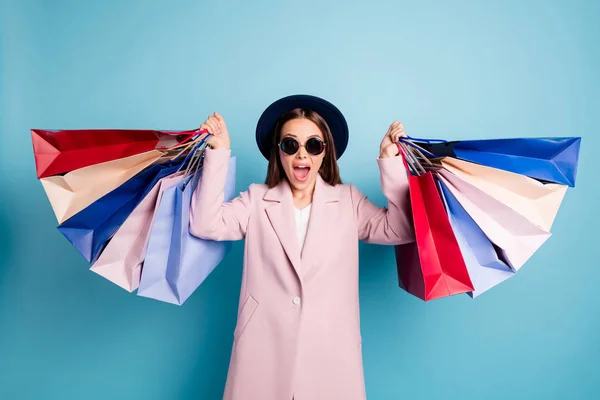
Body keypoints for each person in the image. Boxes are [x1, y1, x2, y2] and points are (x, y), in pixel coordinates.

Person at [190, 94, 415, 400]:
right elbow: (206, 224)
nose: (301, 155)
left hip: (330, 356)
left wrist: (390, 160)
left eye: (313, 145)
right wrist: (218, 152)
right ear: (278, 152)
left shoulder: (348, 201)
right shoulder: (257, 200)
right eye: (290, 144)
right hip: (262, 350)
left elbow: (398, 229)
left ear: (325, 153)